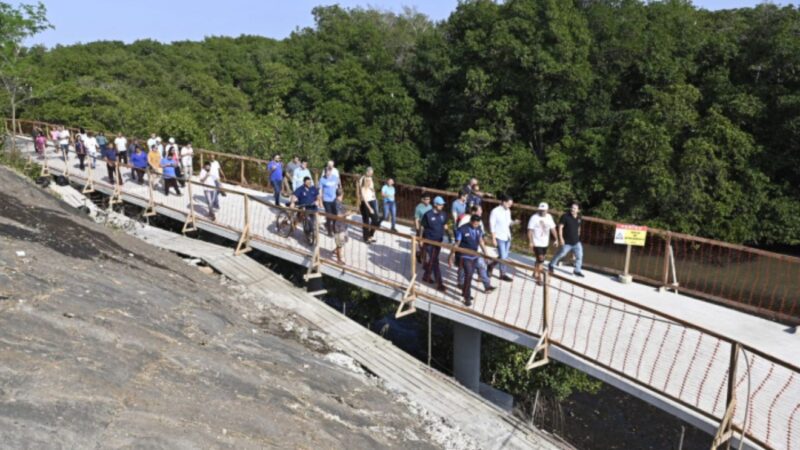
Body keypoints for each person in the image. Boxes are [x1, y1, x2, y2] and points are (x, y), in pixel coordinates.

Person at [449, 214, 495, 305]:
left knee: (482, 267)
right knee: (469, 275)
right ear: (471, 221)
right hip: (464, 256)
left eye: (477, 224)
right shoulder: (462, 229)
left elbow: (481, 241)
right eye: (474, 224)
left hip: (475, 255)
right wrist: (451, 255)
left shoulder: (479, 229)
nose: (476, 226)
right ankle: (467, 297)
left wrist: (485, 253)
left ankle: (485, 286)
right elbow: (457, 243)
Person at [549, 203, 585, 277]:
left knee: (580, 256)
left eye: (575, 208)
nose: (572, 209)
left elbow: (578, 227)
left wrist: (578, 235)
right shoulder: (565, 216)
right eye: (572, 207)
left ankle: (577, 270)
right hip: (567, 242)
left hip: (576, 242)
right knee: (561, 254)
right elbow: (560, 228)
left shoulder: (579, 217)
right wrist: (561, 238)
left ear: (578, 210)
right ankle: (551, 265)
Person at [420, 196, 448, 292]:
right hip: (429, 241)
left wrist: (449, 237)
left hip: (438, 241)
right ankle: (439, 284)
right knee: (435, 261)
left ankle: (426, 276)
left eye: (443, 204)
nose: (442, 206)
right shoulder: (427, 215)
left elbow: (444, 225)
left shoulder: (444, 214)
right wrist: (420, 239)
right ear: (435, 204)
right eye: (440, 204)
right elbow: (422, 227)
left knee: (432, 260)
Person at [528, 202, 559, 285]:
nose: (542, 212)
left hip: (545, 243)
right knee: (541, 259)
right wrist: (531, 241)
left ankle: (535, 272)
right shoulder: (534, 217)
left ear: (547, 210)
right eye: (540, 210)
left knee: (539, 260)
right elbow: (530, 230)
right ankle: (539, 278)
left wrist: (556, 239)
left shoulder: (549, 217)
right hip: (536, 242)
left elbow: (553, 228)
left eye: (543, 210)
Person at [488, 194, 515, 282]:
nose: (510, 206)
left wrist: (514, 222)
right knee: (503, 256)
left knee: (504, 256)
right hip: (499, 236)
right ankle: (502, 274)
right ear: (503, 202)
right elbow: (492, 225)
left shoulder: (508, 211)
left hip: (507, 236)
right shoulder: (495, 211)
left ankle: (491, 265)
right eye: (509, 204)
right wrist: (493, 238)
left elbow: (508, 222)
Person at [358, 167, 380, 243]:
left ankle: (370, 234)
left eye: (372, 173)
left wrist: (375, 196)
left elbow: (372, 188)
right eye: (370, 173)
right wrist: (370, 208)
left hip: (372, 200)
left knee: (376, 219)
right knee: (366, 221)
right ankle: (366, 237)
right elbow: (363, 196)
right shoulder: (362, 180)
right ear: (367, 172)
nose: (371, 174)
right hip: (365, 202)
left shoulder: (370, 178)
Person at [319, 166, 340, 235]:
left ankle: (334, 227)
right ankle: (329, 231)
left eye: (329, 171)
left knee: (335, 214)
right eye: (326, 171)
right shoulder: (322, 179)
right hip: (326, 199)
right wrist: (320, 201)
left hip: (333, 199)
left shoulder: (335, 177)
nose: (327, 173)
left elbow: (338, 186)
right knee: (329, 215)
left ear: (331, 171)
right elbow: (320, 190)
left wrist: (339, 195)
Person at [414, 192, 432, 262]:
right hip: (421, 228)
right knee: (421, 245)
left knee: (427, 245)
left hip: (428, 229)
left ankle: (421, 255)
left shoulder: (430, 206)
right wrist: (417, 229)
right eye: (426, 199)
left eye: (429, 199)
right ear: (423, 200)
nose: (428, 201)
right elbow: (416, 219)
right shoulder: (418, 208)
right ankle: (419, 254)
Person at [333, 189, 348, 264]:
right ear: (342, 194)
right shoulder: (337, 203)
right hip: (338, 226)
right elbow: (338, 215)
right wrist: (347, 214)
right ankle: (339, 260)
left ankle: (336, 251)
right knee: (339, 243)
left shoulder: (338, 201)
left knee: (343, 241)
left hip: (342, 225)